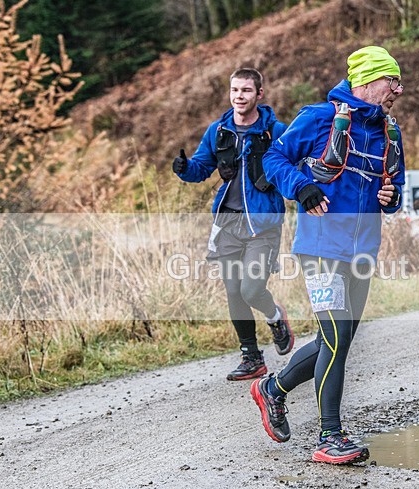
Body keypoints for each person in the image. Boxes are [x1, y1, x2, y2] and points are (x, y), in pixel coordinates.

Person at [250, 46, 405, 465]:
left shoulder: (390, 132)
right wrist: (301, 187)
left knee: (335, 340)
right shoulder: (320, 118)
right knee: (336, 337)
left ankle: (273, 389)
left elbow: (395, 190)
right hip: (319, 251)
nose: (398, 89)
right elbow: (273, 158)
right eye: (392, 81)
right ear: (369, 81)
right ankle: (329, 436)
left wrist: (391, 198)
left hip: (361, 253)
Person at [172, 68, 294, 381]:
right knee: (233, 291)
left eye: (246, 91)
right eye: (235, 90)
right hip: (227, 222)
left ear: (259, 94)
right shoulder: (219, 130)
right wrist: (185, 168)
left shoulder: (275, 132)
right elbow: (201, 168)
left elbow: (291, 169)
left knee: (251, 289)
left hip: (263, 224)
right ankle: (251, 357)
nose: (239, 97)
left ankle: (275, 316)